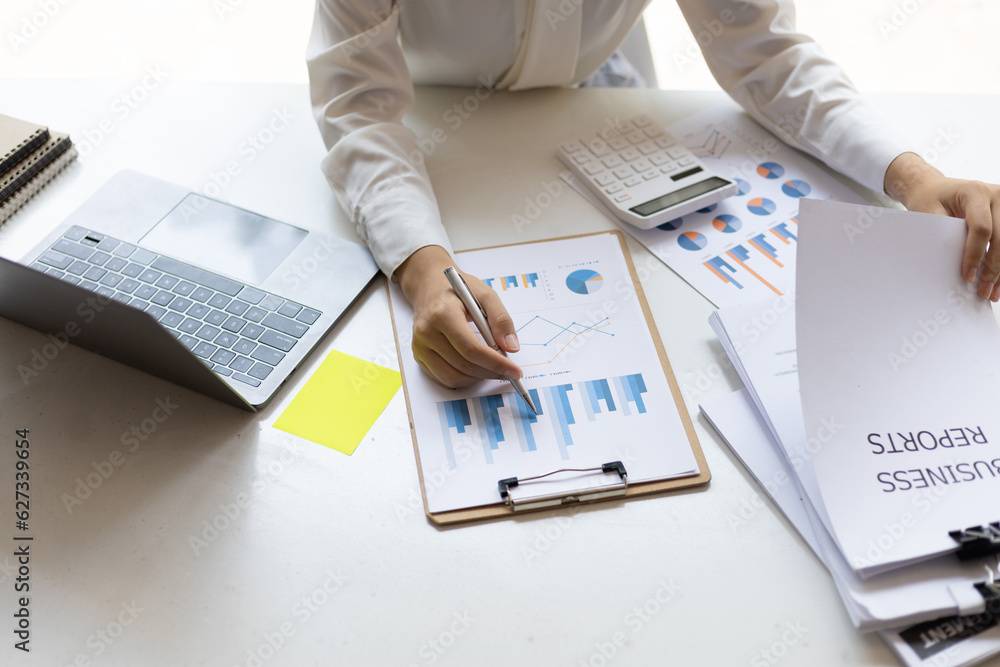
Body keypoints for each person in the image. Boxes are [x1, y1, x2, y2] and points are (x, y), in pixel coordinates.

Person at [306, 0, 1000, 389]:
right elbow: (360, 108)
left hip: (600, 115)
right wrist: (427, 273)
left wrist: (916, 178)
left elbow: (767, 54)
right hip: (433, 123)